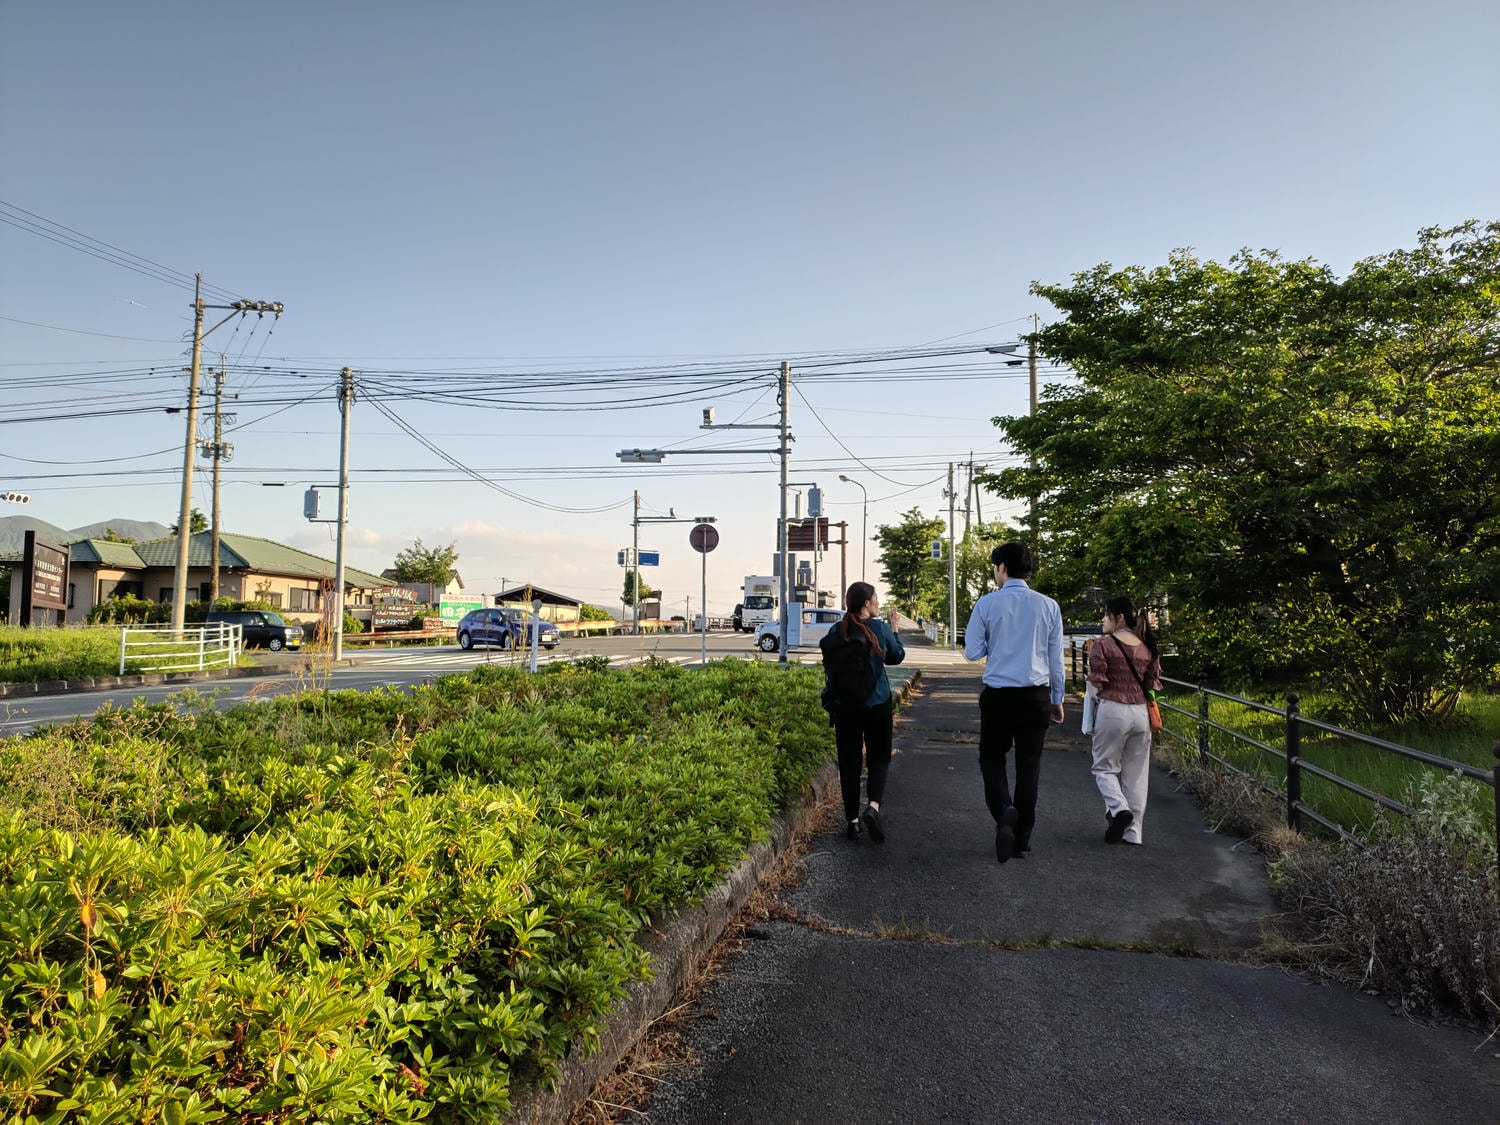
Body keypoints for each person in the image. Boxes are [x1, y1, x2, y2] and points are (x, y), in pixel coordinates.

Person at [963, 542, 1065, 862]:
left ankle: (1005, 811)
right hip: (1035, 696)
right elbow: (1056, 660)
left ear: (1002, 567)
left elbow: (972, 652)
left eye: (995, 568)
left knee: (991, 759)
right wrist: (1057, 699)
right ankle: (1022, 838)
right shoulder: (1049, 606)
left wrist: (997, 641)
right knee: (1028, 765)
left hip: (998, 696)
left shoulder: (987, 604)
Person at [822, 581, 905, 842]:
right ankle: (873, 808)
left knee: (849, 763)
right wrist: (894, 629)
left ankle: (853, 822)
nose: (878, 603)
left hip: (845, 707)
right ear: (866, 603)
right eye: (876, 599)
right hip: (877, 704)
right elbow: (896, 656)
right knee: (879, 758)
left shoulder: (837, 630)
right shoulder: (879, 628)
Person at [1086, 596, 1162, 845]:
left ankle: (1119, 810)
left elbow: (1097, 683)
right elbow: (1151, 683)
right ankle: (1133, 833)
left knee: (1104, 767)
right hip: (1141, 714)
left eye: (1106, 615)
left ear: (1119, 618)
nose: (1102, 620)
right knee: (1137, 775)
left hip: (1113, 710)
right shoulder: (1147, 646)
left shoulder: (1103, 645)